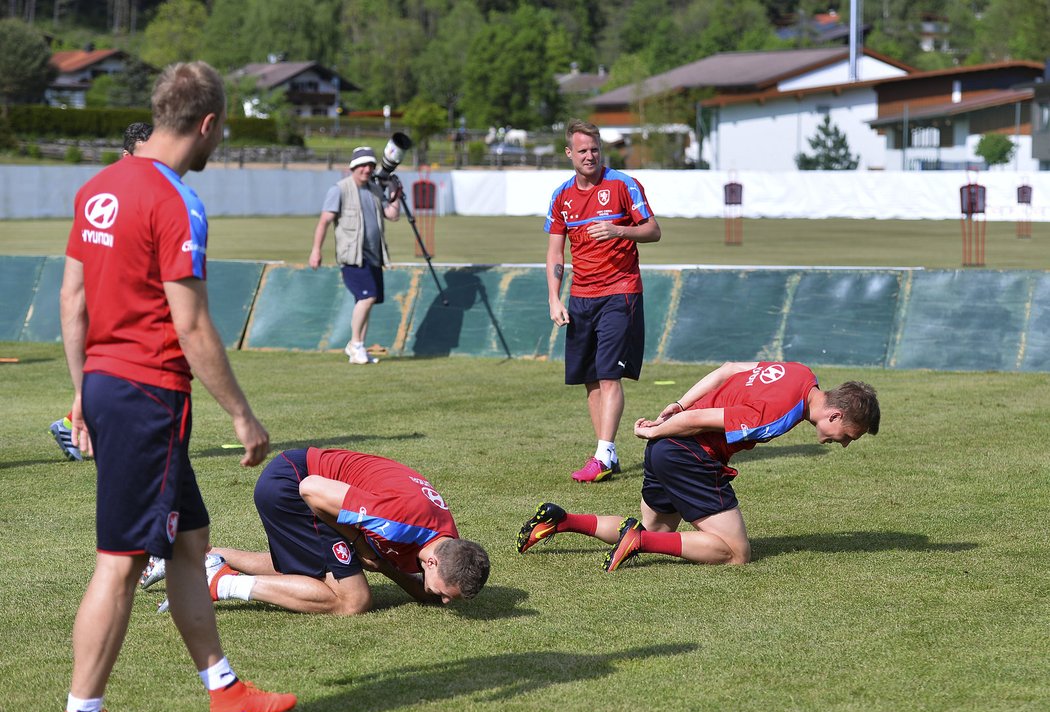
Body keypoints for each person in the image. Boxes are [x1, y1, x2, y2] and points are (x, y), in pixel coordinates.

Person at [55, 62, 296, 712]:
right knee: (122, 561)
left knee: (190, 540)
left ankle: (226, 692)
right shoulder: (176, 199)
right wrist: (243, 415)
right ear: (209, 125)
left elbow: (73, 302)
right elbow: (190, 324)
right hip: (147, 395)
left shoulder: (97, 187)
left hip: (107, 382)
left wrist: (82, 388)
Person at [517, 361, 880, 571]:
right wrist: (658, 428)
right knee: (736, 553)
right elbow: (702, 420)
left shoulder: (801, 373)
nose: (845, 442)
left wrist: (678, 403)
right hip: (687, 452)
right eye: (850, 434)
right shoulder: (779, 417)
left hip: (668, 450)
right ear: (835, 414)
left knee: (659, 529)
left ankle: (563, 520)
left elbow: (727, 370)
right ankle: (639, 542)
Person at [141, 447, 490, 614]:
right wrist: (357, 542)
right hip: (292, 484)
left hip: (298, 477)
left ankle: (196, 557)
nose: (442, 601)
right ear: (431, 564)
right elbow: (311, 489)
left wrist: (383, 565)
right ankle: (219, 582)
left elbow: (416, 582)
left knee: (306, 566)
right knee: (353, 599)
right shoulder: (398, 522)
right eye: (445, 594)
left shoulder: (445, 541)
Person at [544, 119, 661, 484]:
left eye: (594, 149)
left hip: (620, 291)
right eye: (582, 151)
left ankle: (603, 452)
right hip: (580, 298)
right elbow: (555, 253)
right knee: (591, 380)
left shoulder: (624, 185)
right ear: (569, 154)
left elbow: (653, 231)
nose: (590, 156)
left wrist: (618, 229)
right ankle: (604, 453)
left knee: (609, 375)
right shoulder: (562, 196)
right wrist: (554, 298)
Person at [48, 121, 154, 461]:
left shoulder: (147, 192)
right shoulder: (103, 193)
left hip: (125, 298)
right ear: (126, 156)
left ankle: (76, 424)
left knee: (120, 375)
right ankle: (75, 425)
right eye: (143, 157)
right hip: (107, 299)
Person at [309, 146, 401, 365]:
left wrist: (395, 192)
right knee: (367, 297)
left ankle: (359, 347)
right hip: (352, 256)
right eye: (362, 165)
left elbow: (392, 215)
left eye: (370, 165)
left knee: (366, 300)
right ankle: (355, 344)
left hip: (374, 255)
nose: (367, 169)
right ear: (353, 167)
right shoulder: (339, 189)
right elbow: (324, 221)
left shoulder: (375, 190)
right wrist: (316, 250)